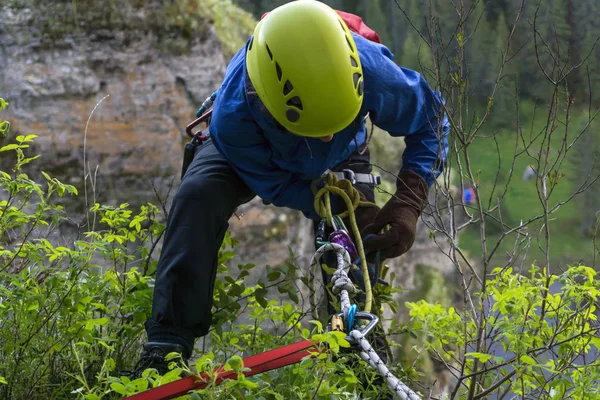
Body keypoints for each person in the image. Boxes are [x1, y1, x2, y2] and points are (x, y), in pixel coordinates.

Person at [134, 0, 449, 378]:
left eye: (336, 122)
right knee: (197, 196)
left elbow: (430, 120)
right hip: (255, 151)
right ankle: (168, 340)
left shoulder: (370, 69)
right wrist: (326, 205)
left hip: (342, 157)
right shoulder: (237, 115)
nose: (327, 135)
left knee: (360, 245)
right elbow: (275, 183)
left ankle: (359, 349)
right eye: (320, 127)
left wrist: (408, 202)